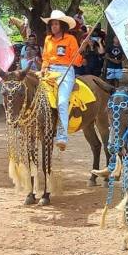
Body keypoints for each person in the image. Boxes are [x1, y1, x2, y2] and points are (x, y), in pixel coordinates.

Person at [40, 10, 83, 151]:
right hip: (49, 71)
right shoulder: (48, 39)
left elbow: (77, 62)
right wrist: (43, 68)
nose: (54, 26)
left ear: (62, 25)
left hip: (66, 70)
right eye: (52, 24)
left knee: (62, 102)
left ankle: (62, 137)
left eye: (56, 24)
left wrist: (79, 54)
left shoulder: (70, 39)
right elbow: (45, 58)